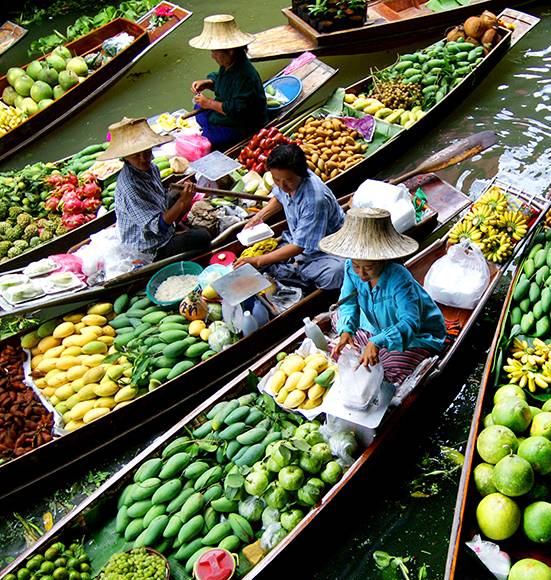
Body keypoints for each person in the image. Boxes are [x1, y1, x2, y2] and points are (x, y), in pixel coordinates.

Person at [319, 207, 446, 386]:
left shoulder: (399, 278)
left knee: (389, 367)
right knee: (338, 318)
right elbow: (348, 303)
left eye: (369, 268)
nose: (361, 274)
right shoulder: (350, 268)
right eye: (357, 266)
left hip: (416, 335)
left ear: (382, 259)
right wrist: (346, 330)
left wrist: (377, 341)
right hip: (377, 326)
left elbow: (410, 322)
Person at [233, 143, 345, 290]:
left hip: (325, 249)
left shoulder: (314, 200)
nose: (282, 185)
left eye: (288, 180)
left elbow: (299, 246)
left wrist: (258, 261)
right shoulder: (286, 180)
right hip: (295, 239)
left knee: (335, 273)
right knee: (274, 254)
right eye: (276, 179)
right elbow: (279, 197)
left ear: (301, 173)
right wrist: (259, 216)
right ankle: (293, 266)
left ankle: (298, 273)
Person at [97, 117, 211, 261]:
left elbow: (161, 197)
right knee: (203, 236)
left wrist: (182, 198)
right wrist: (183, 202)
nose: (143, 158)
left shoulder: (152, 167)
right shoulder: (131, 188)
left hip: (157, 220)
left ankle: (177, 225)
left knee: (177, 194)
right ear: (125, 158)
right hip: (149, 245)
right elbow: (158, 227)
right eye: (136, 156)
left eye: (146, 152)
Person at [188, 14, 267, 150]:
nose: (213, 56)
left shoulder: (245, 76)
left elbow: (237, 110)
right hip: (228, 112)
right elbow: (222, 81)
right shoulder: (229, 65)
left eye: (215, 52)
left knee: (211, 138)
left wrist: (209, 103)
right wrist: (207, 83)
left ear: (230, 51)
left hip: (245, 122)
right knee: (198, 109)